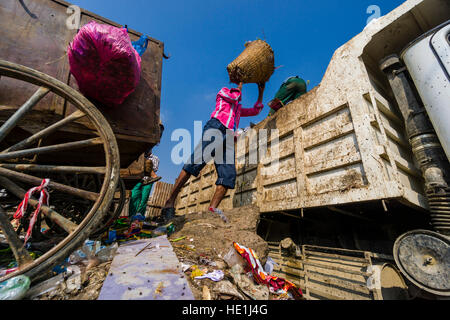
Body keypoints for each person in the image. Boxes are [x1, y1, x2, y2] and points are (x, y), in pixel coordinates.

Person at [161, 82, 266, 223]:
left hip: (229, 136)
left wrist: (261, 92)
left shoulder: (238, 109)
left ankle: (212, 210)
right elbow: (234, 97)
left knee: (228, 176)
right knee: (195, 163)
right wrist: (240, 86)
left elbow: (256, 111)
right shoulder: (223, 92)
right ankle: (169, 202)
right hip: (216, 126)